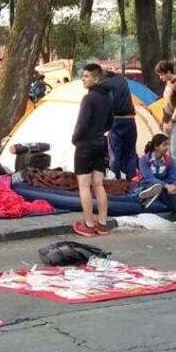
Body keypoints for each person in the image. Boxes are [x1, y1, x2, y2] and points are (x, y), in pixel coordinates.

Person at [71, 65, 113, 237]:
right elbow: (110, 122)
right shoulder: (108, 97)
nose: (83, 79)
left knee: (84, 186)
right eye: (83, 76)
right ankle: (102, 223)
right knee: (99, 184)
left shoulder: (88, 99)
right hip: (100, 143)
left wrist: (75, 139)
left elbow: (82, 123)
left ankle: (88, 224)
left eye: (87, 76)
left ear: (96, 79)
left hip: (86, 144)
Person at [95, 66, 138, 180]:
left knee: (115, 153)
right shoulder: (122, 81)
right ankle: (132, 180)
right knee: (130, 153)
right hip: (130, 120)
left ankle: (116, 180)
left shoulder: (102, 84)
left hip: (116, 121)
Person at [137, 134, 176, 227]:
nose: (167, 148)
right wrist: (166, 186)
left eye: (167, 145)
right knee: (160, 188)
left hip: (165, 187)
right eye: (164, 145)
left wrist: (175, 186)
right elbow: (149, 177)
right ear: (156, 147)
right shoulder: (144, 159)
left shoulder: (169, 160)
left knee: (169, 193)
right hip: (149, 184)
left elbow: (173, 176)